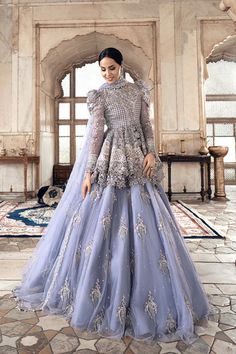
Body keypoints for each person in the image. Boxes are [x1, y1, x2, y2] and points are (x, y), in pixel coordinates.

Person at [13, 47, 208, 343]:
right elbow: (94, 135)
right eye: (103, 69)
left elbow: (147, 125)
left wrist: (152, 154)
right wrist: (89, 172)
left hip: (139, 156)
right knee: (102, 219)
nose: (107, 74)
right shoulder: (100, 96)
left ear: (121, 66)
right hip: (111, 154)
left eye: (112, 68)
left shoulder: (137, 91)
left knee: (148, 217)